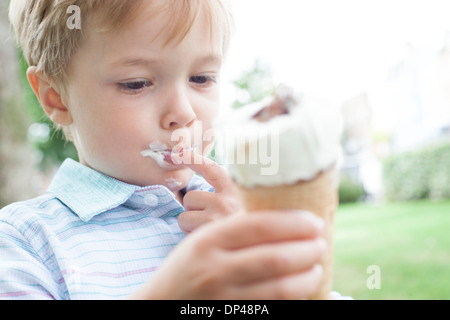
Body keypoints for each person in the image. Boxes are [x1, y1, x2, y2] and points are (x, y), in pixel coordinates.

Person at [1, 0, 328, 300]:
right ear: (55, 97)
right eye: (137, 83)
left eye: (201, 78)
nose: (184, 112)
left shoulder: (242, 209)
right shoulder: (25, 241)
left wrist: (270, 254)